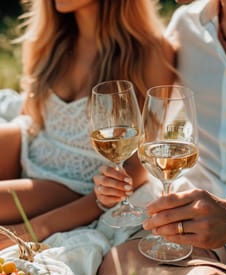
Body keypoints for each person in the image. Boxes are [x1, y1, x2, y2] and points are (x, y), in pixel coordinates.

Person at [95, 0, 226, 275]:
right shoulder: (186, 26)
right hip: (201, 237)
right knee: (118, 264)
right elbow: (151, 128)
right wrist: (118, 179)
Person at [0, 0, 175, 249]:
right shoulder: (49, 38)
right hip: (30, 153)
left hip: (77, 184)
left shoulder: (151, 51)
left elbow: (140, 164)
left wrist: (38, 228)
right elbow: (32, 119)